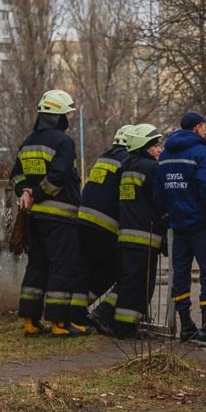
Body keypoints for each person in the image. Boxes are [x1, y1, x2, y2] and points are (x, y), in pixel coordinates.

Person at [9, 89, 91, 337]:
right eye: (67, 114)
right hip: (60, 219)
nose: (69, 118)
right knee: (61, 268)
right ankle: (59, 323)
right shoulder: (63, 142)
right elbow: (58, 178)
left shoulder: (28, 142)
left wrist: (25, 192)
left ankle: (30, 322)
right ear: (58, 116)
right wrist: (36, 193)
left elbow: (15, 175)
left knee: (37, 267)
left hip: (35, 219)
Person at [154, 111, 206, 349]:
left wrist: (168, 217)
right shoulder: (201, 151)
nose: (205, 130)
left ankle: (186, 325)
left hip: (178, 226)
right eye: (204, 126)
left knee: (180, 275)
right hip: (201, 225)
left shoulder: (166, 154)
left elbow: (159, 191)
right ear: (197, 128)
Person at [92, 124, 166, 338]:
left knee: (128, 282)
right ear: (143, 146)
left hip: (126, 236)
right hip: (145, 237)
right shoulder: (152, 168)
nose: (159, 149)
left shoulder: (126, 166)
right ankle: (123, 327)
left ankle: (105, 315)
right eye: (155, 145)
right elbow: (160, 201)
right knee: (139, 286)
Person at [78, 124, 133, 300]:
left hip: (83, 220)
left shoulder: (105, 156)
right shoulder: (127, 160)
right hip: (104, 225)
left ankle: (74, 308)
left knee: (86, 268)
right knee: (113, 269)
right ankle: (89, 307)